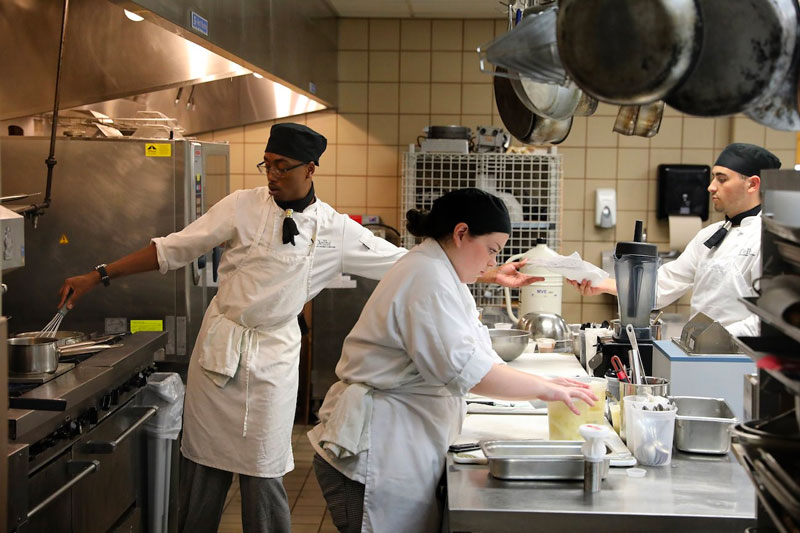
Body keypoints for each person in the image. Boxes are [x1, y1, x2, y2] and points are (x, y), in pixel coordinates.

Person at [57, 125, 542, 533]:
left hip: (272, 359)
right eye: (266, 164)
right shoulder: (240, 206)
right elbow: (173, 249)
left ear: (311, 170)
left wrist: (490, 271)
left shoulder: (334, 229)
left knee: (265, 471)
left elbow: (409, 260)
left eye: (282, 166)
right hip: (221, 349)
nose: (271, 175)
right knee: (203, 467)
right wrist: (97, 275)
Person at [308, 188, 597, 533]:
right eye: (491, 250)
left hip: (398, 441)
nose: (492, 263)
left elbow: (480, 356)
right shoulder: (426, 276)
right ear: (461, 234)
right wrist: (544, 391)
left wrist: (547, 384)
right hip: (373, 451)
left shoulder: (442, 272)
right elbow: (469, 372)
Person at [569, 143, 781, 336]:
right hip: (704, 354)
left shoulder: (772, 240)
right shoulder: (710, 235)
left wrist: (715, 339)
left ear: (752, 184)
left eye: (722, 179)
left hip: (743, 361)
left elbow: (770, 320)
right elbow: (663, 286)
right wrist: (604, 284)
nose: (711, 187)